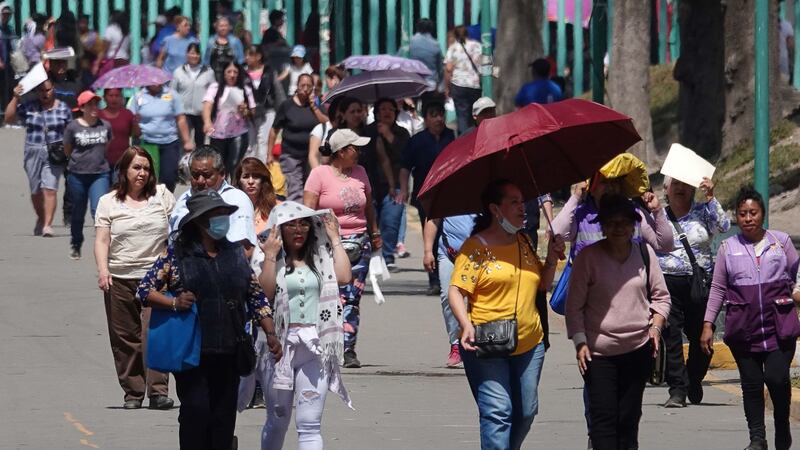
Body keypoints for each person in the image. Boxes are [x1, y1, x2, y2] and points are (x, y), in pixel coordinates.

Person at [136, 189, 282, 450]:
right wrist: (173, 302)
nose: (222, 220)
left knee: (223, 418)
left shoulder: (235, 254)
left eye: (224, 214)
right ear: (199, 222)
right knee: (196, 411)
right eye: (216, 215)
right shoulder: (176, 255)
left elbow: (256, 295)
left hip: (230, 348)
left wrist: (271, 333)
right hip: (192, 351)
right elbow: (144, 291)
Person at [448, 179, 563, 450]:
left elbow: (542, 284)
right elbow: (456, 291)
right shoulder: (476, 247)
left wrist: (551, 259)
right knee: (498, 412)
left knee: (525, 412)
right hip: (486, 342)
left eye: (522, 201)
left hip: (529, 343)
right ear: (495, 209)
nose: (522, 208)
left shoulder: (523, 241)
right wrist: (465, 324)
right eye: (513, 202)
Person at [566, 193, 671, 450]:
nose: (618, 228)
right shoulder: (588, 259)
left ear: (634, 224)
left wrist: (656, 327)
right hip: (598, 354)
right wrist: (580, 342)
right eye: (611, 222)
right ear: (602, 226)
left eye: (624, 222)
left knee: (628, 420)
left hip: (637, 351)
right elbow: (574, 307)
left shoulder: (645, 254)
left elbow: (662, 297)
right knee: (603, 421)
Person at [700, 187, 800, 450]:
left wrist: (797, 292)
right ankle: (757, 439)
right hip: (743, 328)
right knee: (752, 385)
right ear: (737, 216)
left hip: (780, 327)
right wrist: (708, 324)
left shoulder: (781, 242)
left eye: (753, 213)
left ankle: (782, 427)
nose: (747, 218)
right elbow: (718, 289)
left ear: (763, 215)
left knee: (777, 379)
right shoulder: (727, 248)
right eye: (742, 214)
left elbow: (797, 273)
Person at [257, 202, 354, 449]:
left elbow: (344, 277)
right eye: (291, 225)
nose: (299, 230)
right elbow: (264, 292)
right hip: (278, 347)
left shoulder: (321, 257)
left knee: (309, 423)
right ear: (279, 229)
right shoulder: (267, 256)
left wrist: (335, 238)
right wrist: (269, 255)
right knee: (277, 419)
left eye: (303, 224)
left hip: (315, 347)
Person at [94, 146, 174, 410]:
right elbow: (102, 240)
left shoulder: (162, 196)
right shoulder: (108, 202)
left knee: (155, 334)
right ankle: (133, 391)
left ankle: (158, 391)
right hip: (120, 277)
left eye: (146, 168)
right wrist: (103, 270)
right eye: (136, 168)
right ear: (124, 171)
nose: (142, 173)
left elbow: (177, 233)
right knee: (124, 336)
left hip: (155, 278)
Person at [303, 129, 382, 369]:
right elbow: (307, 211)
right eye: (354, 148)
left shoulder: (361, 173)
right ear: (340, 152)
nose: (358, 153)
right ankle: (325, 342)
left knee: (351, 298)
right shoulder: (319, 175)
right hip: (325, 245)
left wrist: (375, 232)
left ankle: (348, 347)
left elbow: (369, 206)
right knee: (328, 295)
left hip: (358, 243)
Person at [657, 176, 731, 408]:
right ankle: (677, 389)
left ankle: (693, 378)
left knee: (704, 338)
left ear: (693, 189)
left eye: (685, 185)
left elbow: (724, 226)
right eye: (675, 184)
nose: (680, 189)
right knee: (671, 338)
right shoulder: (656, 215)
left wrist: (710, 197)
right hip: (667, 283)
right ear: (666, 189)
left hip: (699, 284)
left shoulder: (703, 211)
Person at [399, 101, 455, 295]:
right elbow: (405, 167)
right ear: (426, 118)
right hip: (426, 196)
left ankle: (451, 277)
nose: (439, 118)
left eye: (441, 114)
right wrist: (404, 189)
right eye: (433, 114)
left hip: (449, 194)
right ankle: (434, 280)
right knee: (431, 234)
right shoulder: (417, 141)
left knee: (449, 234)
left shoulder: (451, 137)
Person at [5, 79, 73, 237]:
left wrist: (71, 152)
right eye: (41, 91)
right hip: (33, 150)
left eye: (47, 90)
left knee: (50, 188)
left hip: (55, 151)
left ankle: (47, 225)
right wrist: (15, 97)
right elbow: (8, 118)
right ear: (36, 92)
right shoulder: (29, 106)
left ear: (53, 89)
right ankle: (41, 218)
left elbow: (71, 131)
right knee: (36, 191)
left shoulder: (63, 108)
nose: (44, 93)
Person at [170, 146, 257, 252]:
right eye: (195, 175)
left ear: (222, 174)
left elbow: (244, 249)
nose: (200, 181)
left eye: (207, 175)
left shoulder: (237, 200)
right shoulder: (184, 198)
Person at [63, 91, 113, 259]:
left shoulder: (104, 125)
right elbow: (68, 149)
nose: (94, 107)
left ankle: (105, 245)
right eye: (90, 104)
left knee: (98, 210)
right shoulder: (73, 127)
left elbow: (107, 145)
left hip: (100, 174)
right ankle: (76, 242)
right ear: (82, 107)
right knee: (78, 211)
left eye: (96, 104)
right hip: (77, 175)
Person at [364, 98, 410, 272]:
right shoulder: (367, 132)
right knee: (371, 221)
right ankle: (372, 256)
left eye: (390, 109)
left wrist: (388, 136)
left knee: (391, 221)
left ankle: (388, 256)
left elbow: (405, 155)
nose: (386, 112)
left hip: (396, 185)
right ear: (375, 113)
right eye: (382, 109)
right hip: (371, 184)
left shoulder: (402, 133)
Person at [268, 73, 326, 201]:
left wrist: (314, 107)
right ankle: (297, 219)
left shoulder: (316, 105)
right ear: (297, 87)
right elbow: (274, 130)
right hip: (291, 155)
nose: (305, 89)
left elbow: (326, 122)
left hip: (311, 156)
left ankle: (308, 215)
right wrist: (269, 154)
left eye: (309, 86)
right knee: (296, 190)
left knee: (310, 187)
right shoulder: (287, 106)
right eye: (302, 85)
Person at [130, 83, 195, 191]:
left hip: (169, 141)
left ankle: (166, 200)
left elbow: (181, 118)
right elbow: (132, 119)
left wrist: (187, 141)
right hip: (146, 142)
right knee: (147, 176)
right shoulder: (138, 96)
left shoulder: (172, 94)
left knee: (169, 177)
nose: (155, 83)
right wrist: (135, 124)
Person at [202, 61, 255, 176]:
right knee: (219, 166)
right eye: (229, 72)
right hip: (218, 134)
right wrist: (207, 122)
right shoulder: (215, 87)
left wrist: (245, 110)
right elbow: (207, 105)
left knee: (234, 165)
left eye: (235, 72)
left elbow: (252, 111)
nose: (232, 75)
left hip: (238, 133)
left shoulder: (245, 89)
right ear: (224, 74)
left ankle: (233, 189)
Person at [171, 42, 216, 149]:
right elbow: (172, 91)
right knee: (184, 141)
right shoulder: (178, 72)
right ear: (187, 54)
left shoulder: (208, 72)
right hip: (183, 113)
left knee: (200, 142)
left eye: (196, 53)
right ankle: (183, 163)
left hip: (201, 113)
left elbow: (213, 90)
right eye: (191, 53)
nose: (194, 56)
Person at [244, 45, 285, 162]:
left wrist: (282, 112)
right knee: (250, 144)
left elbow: (278, 92)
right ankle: (249, 171)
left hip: (267, 111)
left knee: (263, 141)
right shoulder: (243, 73)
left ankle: (262, 171)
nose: (247, 58)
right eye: (246, 55)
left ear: (258, 56)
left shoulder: (269, 72)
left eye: (250, 55)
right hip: (248, 113)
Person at [444, 25, 482, 135]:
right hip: (475, 85)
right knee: (474, 115)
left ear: (455, 35)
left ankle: (464, 140)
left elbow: (448, 69)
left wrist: (447, 87)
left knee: (462, 116)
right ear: (467, 34)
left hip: (459, 85)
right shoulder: (478, 46)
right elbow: (485, 66)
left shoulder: (453, 48)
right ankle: (475, 138)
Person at [98, 88, 140, 174]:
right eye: (111, 96)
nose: (114, 99)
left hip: (122, 161)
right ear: (104, 98)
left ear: (122, 98)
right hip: (101, 161)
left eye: (117, 96)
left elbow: (136, 134)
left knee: (118, 186)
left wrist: (136, 123)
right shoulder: (98, 115)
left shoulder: (127, 114)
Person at [234, 157, 278, 235]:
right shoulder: (230, 208)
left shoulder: (276, 207)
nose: (251, 181)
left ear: (263, 180)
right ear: (239, 181)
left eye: (256, 177)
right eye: (246, 177)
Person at [203, 16, 245, 80]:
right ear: (216, 27)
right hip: (214, 76)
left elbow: (241, 60)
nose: (223, 28)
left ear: (229, 27)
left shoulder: (235, 41)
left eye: (225, 26)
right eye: (221, 26)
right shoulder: (211, 41)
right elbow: (206, 61)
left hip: (231, 76)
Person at [408, 19, 443, 91]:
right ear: (431, 29)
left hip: (414, 81)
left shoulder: (411, 42)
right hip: (430, 83)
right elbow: (440, 67)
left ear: (417, 28)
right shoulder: (435, 44)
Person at [95, 11, 130, 76]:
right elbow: (128, 50)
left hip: (113, 61)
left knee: (110, 83)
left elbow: (104, 49)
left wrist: (97, 63)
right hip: (124, 61)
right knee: (120, 83)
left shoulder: (110, 29)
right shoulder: (127, 32)